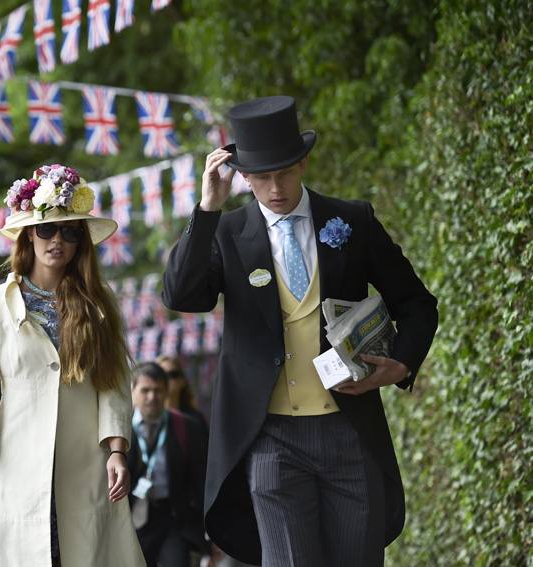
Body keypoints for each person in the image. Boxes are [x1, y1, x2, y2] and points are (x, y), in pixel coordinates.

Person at [162, 96, 439, 566]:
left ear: (303, 161)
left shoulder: (351, 221)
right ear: (243, 177)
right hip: (271, 439)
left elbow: (417, 304)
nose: (275, 188)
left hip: (349, 431)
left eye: (285, 172)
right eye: (262, 177)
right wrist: (208, 209)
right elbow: (182, 295)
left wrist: (400, 364)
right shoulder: (227, 234)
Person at [0, 164, 146, 567]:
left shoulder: (100, 301)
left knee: (84, 553)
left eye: (71, 232)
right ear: (28, 235)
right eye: (47, 230)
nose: (58, 240)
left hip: (87, 463)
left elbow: (113, 382)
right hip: (16, 464)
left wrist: (117, 450)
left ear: (81, 243)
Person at [128, 362, 208, 567]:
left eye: (158, 390)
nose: (152, 397)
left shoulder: (187, 427)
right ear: (132, 391)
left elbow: (200, 481)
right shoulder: (120, 429)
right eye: (145, 390)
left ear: (166, 392)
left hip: (173, 518)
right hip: (132, 521)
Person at [155, 355, 208, 429]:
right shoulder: (147, 420)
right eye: (161, 375)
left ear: (182, 381)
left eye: (172, 374)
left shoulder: (196, 420)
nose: (166, 379)